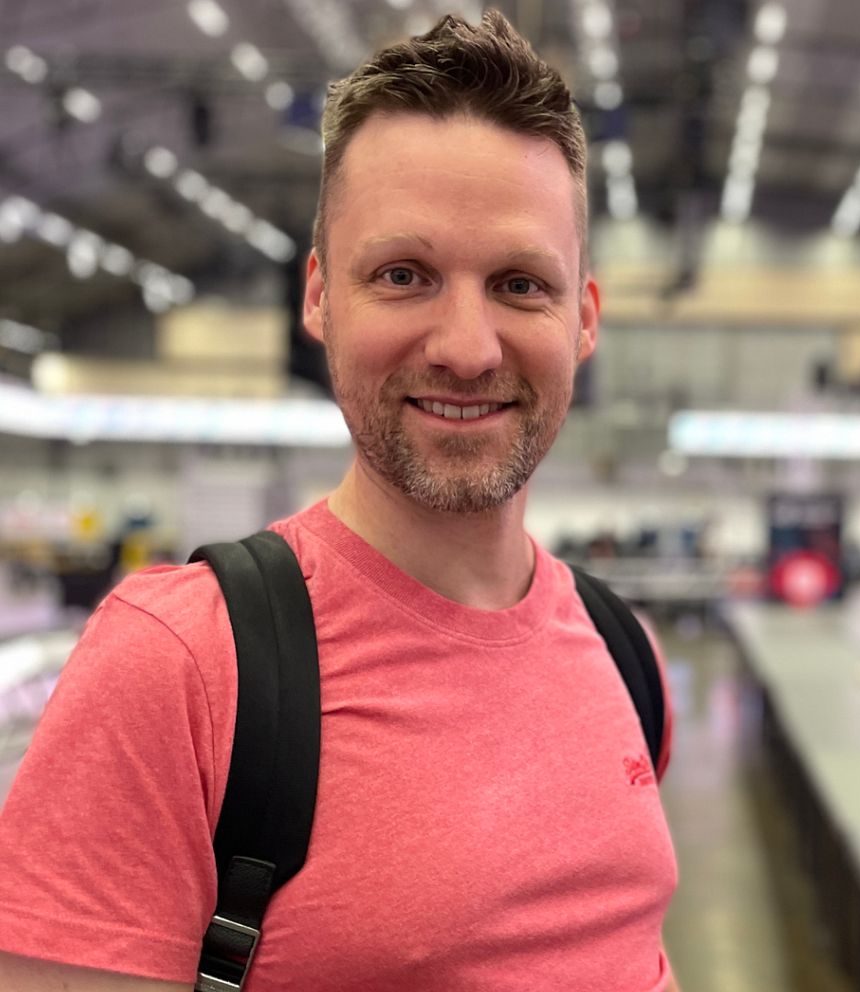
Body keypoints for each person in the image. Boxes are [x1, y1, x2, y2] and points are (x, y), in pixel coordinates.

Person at [0, 11, 680, 991]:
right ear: (318, 296)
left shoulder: (626, 655)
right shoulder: (181, 669)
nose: (467, 347)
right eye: (403, 275)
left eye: (519, 283)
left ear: (583, 318)